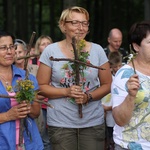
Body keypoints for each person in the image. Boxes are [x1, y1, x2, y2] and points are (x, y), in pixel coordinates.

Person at [37, 6, 112, 150]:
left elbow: (107, 84)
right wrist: (66, 92)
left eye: (84, 23)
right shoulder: (51, 51)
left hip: (92, 122)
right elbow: (41, 86)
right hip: (61, 123)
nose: (81, 27)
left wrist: (88, 97)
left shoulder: (97, 51)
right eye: (75, 23)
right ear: (63, 25)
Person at [0, 30, 43, 149]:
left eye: (11, 47)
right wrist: (8, 116)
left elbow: (36, 113)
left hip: (28, 143)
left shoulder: (26, 77)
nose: (9, 51)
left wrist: (27, 107)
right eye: (3, 48)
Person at [111, 21, 150, 150]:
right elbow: (120, 120)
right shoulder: (125, 74)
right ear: (136, 46)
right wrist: (131, 96)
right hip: (131, 146)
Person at [34, 35, 53, 150]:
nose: (46, 46)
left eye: (48, 43)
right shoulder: (34, 64)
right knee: (42, 134)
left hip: (52, 102)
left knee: (50, 135)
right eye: (43, 44)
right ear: (38, 48)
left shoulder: (56, 62)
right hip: (40, 104)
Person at [102, 51, 122, 150]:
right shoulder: (108, 78)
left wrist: (108, 108)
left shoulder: (122, 78)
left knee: (113, 140)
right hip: (104, 116)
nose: (117, 69)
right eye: (115, 66)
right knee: (106, 138)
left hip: (114, 116)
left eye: (119, 66)